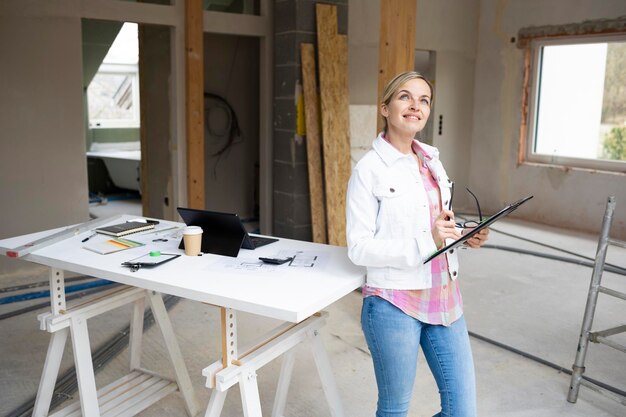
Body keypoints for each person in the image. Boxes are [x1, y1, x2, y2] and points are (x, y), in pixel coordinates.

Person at [346, 71, 489, 417]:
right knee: (395, 410)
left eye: (424, 100)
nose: (416, 106)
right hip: (394, 301)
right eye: (405, 97)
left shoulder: (431, 161)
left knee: (462, 411)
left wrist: (463, 235)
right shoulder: (369, 170)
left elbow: (436, 224)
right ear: (385, 108)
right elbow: (359, 248)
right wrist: (430, 238)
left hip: (444, 295)